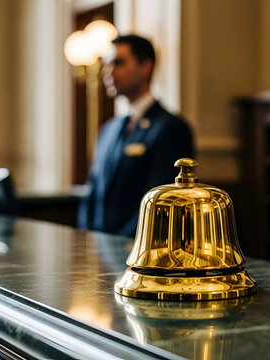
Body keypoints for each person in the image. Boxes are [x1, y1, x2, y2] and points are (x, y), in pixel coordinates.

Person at [78, 34, 194, 237]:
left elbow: (160, 205)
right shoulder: (108, 130)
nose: (108, 72)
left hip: (138, 252)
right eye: (107, 64)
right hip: (96, 251)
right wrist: (88, 240)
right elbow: (92, 195)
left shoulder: (170, 128)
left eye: (118, 63)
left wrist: (121, 247)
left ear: (146, 67)